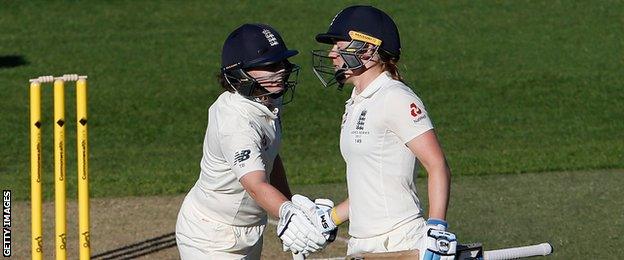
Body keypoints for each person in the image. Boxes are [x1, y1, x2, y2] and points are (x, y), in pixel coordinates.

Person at [297, 5, 458, 260]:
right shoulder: (356, 101)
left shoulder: (396, 97)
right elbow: (371, 186)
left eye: (340, 46)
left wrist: (436, 228)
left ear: (369, 48)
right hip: (362, 244)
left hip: (398, 241)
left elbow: (437, 165)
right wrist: (331, 219)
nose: (331, 54)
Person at [175, 23, 327, 260]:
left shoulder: (266, 100)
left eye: (281, 64)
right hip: (211, 237)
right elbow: (255, 184)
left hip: (247, 231)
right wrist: (288, 214)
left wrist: (290, 205)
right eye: (269, 66)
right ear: (239, 73)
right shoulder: (236, 123)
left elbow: (270, 157)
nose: (281, 72)